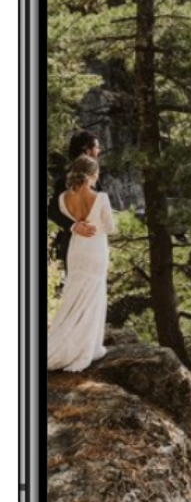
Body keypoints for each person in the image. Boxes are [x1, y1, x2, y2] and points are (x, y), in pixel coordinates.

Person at [47, 155, 117, 372]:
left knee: (74, 295)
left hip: (76, 249)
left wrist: (78, 225)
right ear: (92, 175)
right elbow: (111, 228)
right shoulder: (101, 198)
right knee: (93, 296)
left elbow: (66, 219)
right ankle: (88, 346)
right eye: (97, 173)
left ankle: (65, 342)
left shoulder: (62, 199)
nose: (98, 177)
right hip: (95, 249)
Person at [48, 130, 102, 271]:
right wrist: (74, 226)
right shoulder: (64, 181)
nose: (99, 151)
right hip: (72, 244)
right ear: (86, 150)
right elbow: (52, 211)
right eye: (96, 147)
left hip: (94, 246)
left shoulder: (95, 180)